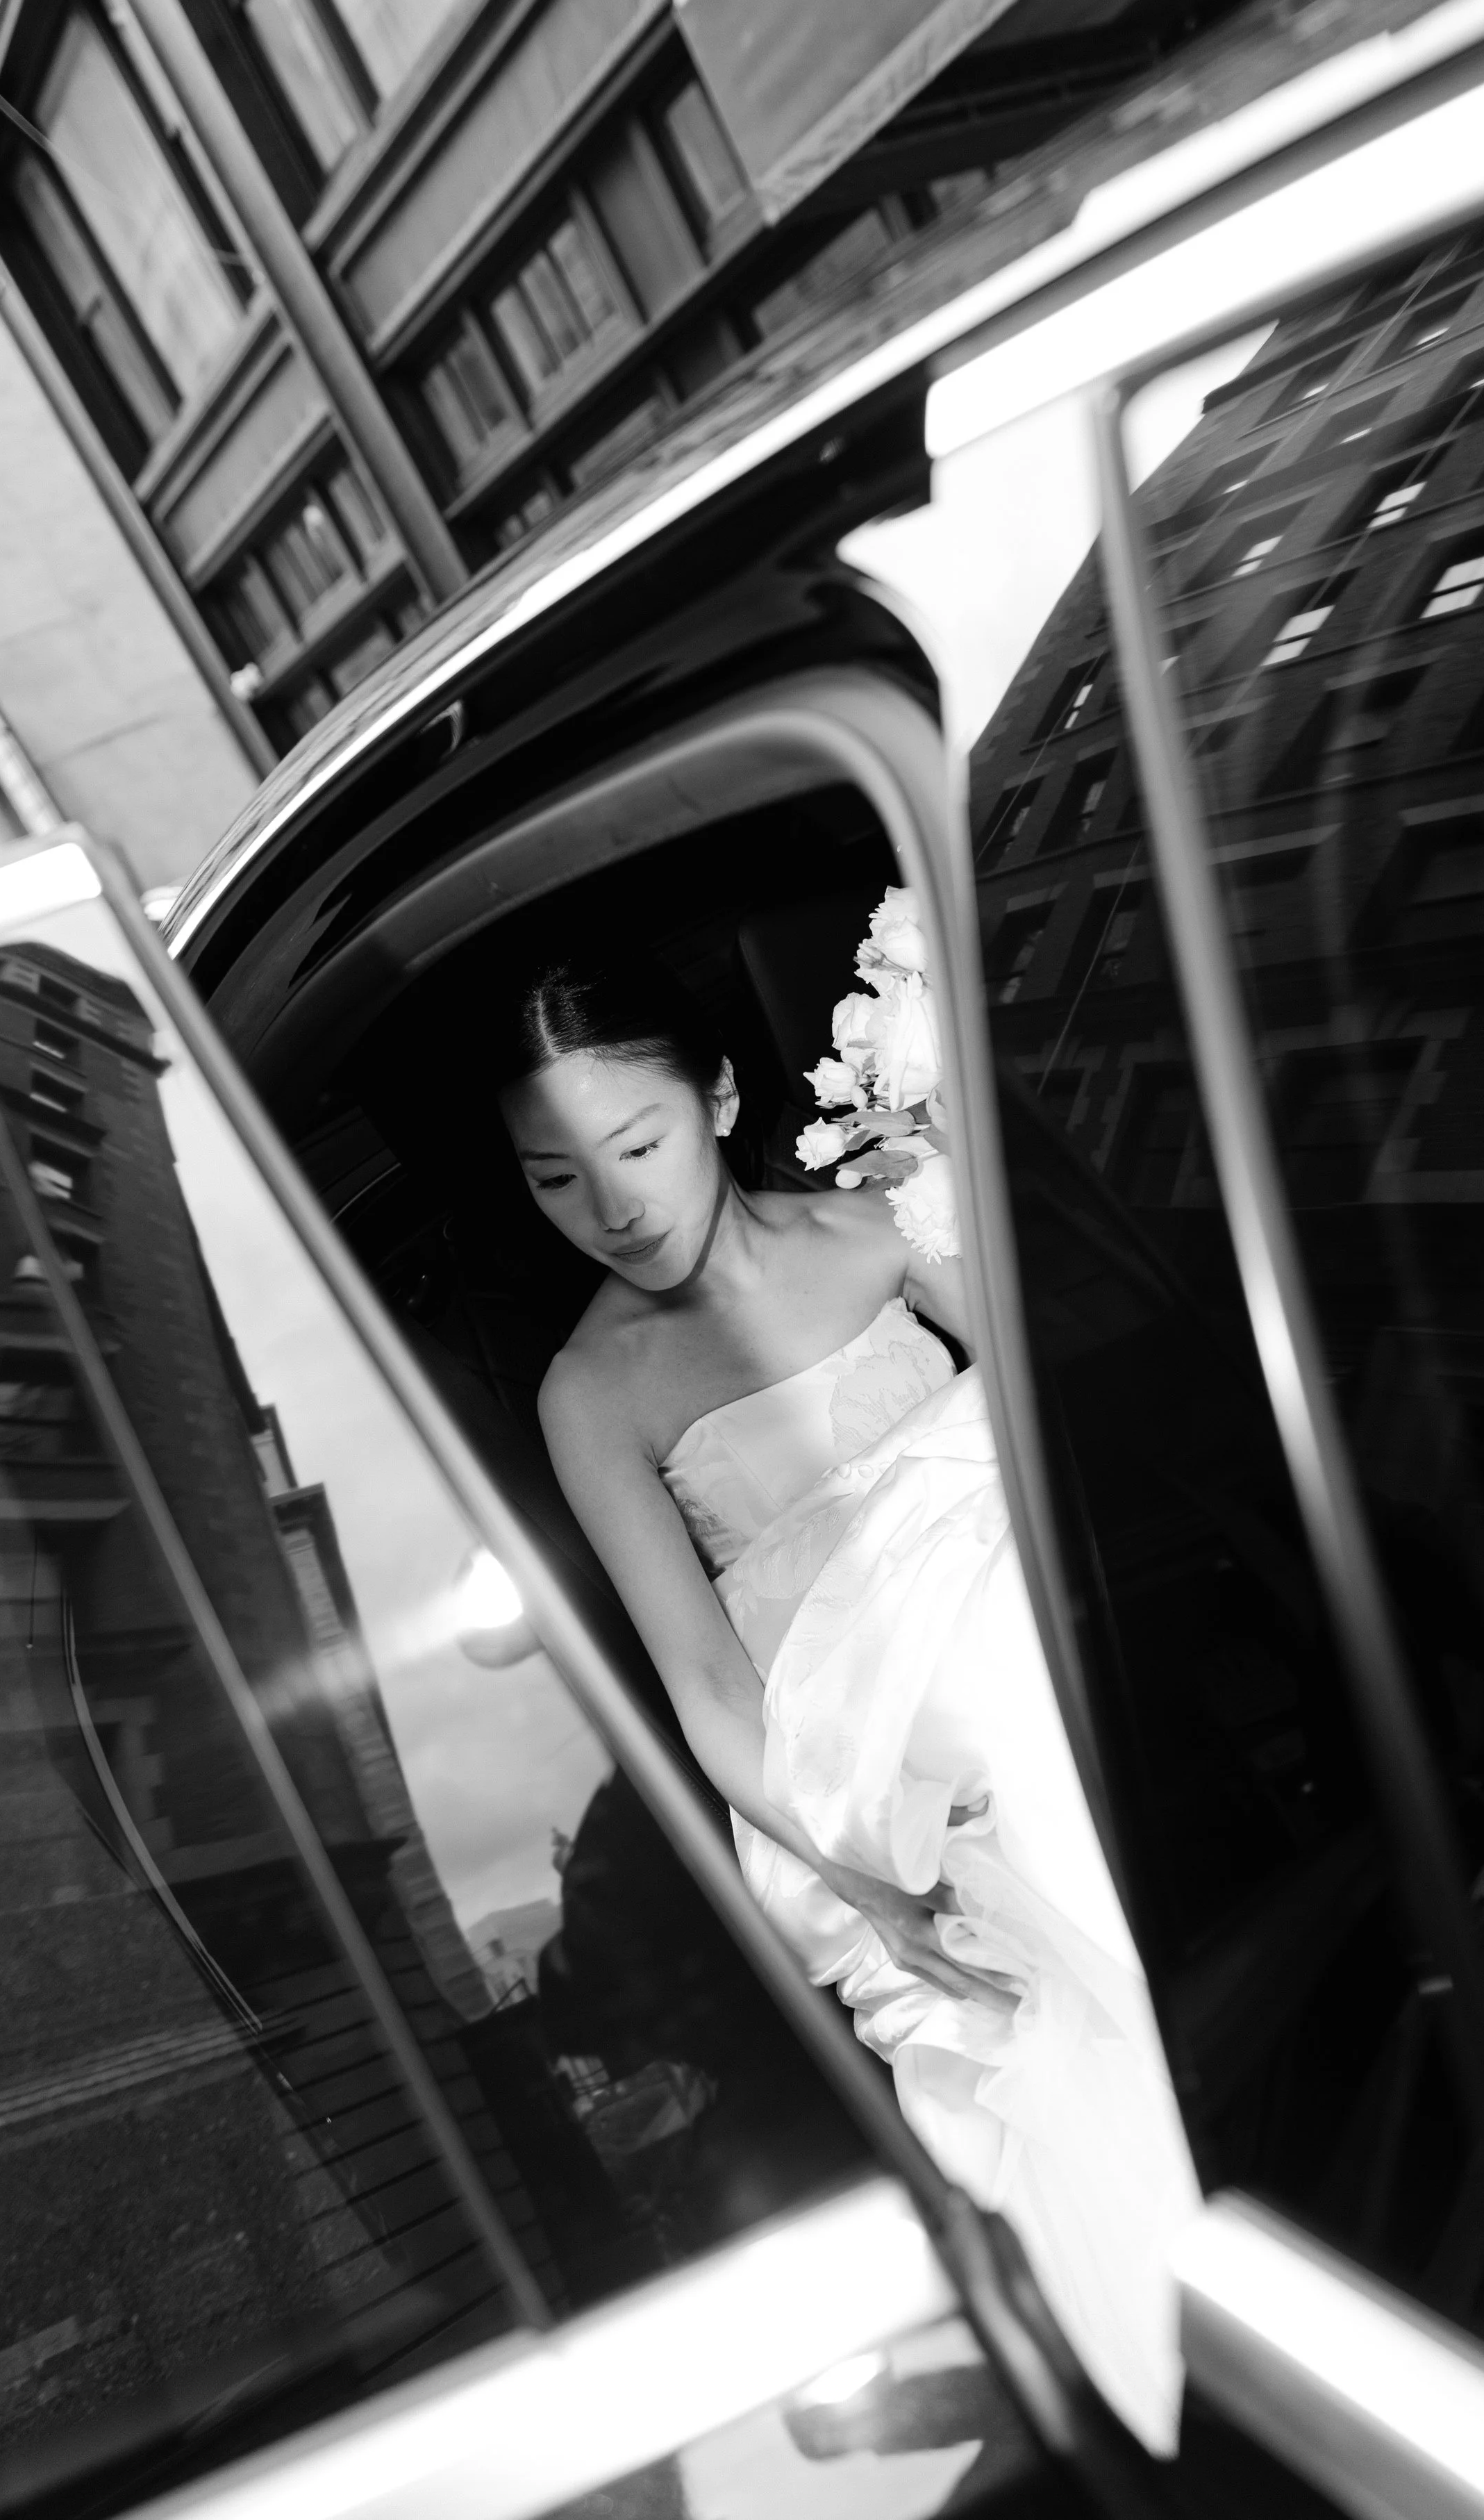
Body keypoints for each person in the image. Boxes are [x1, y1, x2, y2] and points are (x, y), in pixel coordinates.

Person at [493, 947, 1199, 2453]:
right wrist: (857, 1880)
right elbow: (700, 1680)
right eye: (555, 1180)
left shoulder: (882, 1227)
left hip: (1048, 1647)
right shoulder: (590, 1392)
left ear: (723, 1098)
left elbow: (1059, 1426)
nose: (611, 1208)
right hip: (855, 1742)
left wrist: (949, 1198)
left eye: (637, 1146)